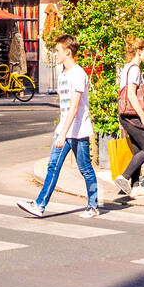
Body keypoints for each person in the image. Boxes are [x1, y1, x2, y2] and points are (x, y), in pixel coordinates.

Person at [17, 35, 100, 220]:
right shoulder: (63, 73)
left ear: (67, 52)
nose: (55, 54)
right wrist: (62, 131)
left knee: (85, 169)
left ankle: (93, 206)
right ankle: (39, 205)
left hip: (78, 130)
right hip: (64, 129)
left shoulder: (78, 74)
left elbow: (74, 106)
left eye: (58, 50)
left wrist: (63, 133)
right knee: (53, 166)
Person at [114, 35, 144, 197]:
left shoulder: (126, 68)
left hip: (125, 115)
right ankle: (124, 177)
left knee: (138, 149)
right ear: (138, 51)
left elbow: (121, 94)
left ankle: (136, 186)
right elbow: (131, 94)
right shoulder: (134, 69)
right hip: (133, 116)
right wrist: (143, 117)